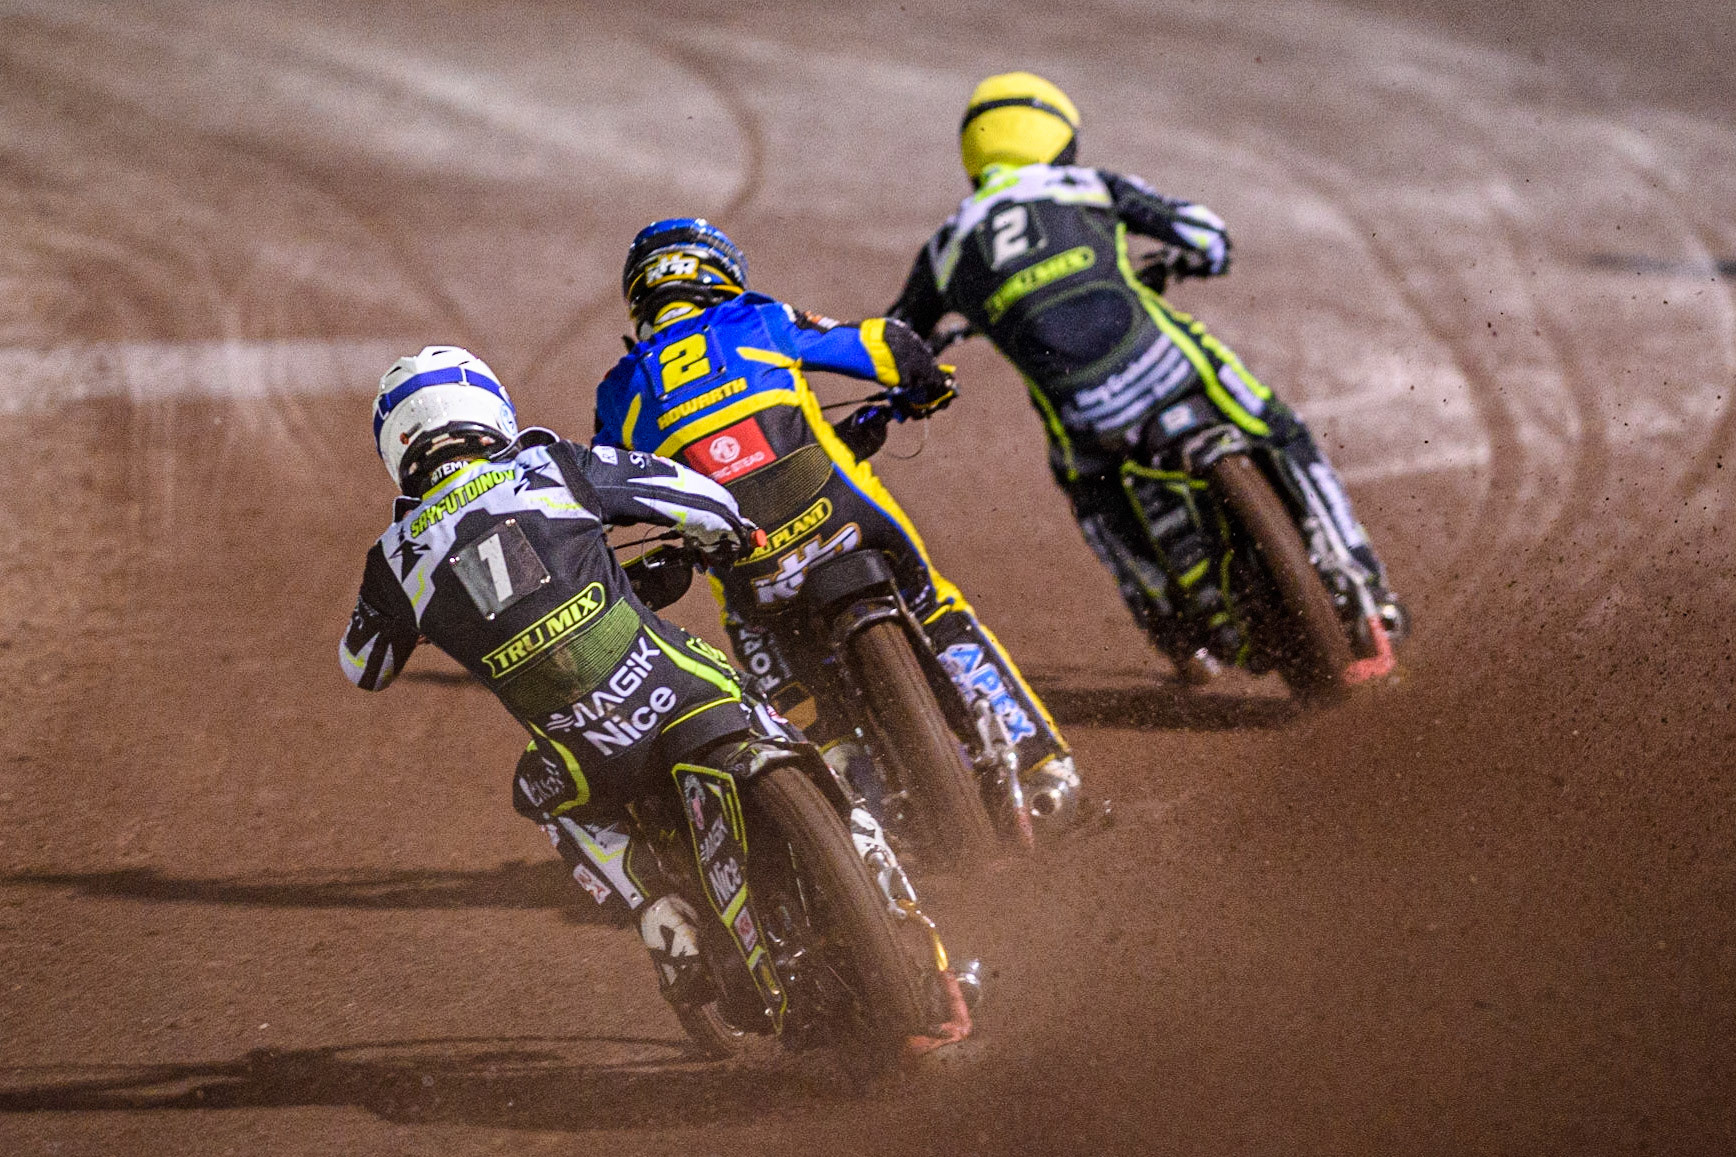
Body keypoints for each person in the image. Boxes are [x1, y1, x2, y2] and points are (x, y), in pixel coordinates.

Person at [339, 344, 920, 1026]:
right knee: (779, 726)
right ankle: (880, 872)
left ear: (396, 446)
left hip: (589, 755)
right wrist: (733, 533)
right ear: (487, 407)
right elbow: (687, 493)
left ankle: (653, 905)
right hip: (677, 689)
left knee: (546, 795)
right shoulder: (546, 464)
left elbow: (364, 666)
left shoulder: (393, 558)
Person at [887, 72, 1407, 683]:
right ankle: (1365, 589)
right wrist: (1199, 259)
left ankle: (1183, 638)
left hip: (1084, 420)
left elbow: (894, 341)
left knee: (1097, 503)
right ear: (1055, 136)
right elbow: (1205, 232)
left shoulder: (946, 248)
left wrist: (913, 389)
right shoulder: (1084, 186)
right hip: (1173, 371)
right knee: (1284, 433)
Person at [591, 217, 1084, 831]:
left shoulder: (618, 391)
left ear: (641, 294)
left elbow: (608, 493)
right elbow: (885, 345)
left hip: (752, 558)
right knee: (934, 608)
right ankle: (1044, 768)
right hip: (843, 515)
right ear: (719, 272)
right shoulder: (756, 319)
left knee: (779, 672)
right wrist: (925, 385)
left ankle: (855, 809)